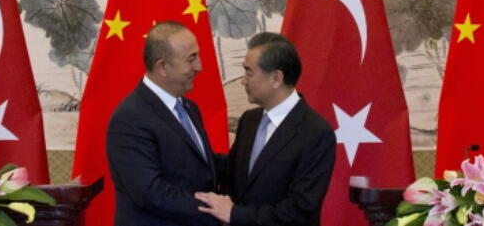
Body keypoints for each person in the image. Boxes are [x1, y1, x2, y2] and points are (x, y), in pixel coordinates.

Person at [195, 32, 336, 226]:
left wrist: (236, 215)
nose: (243, 80)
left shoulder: (316, 133)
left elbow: (300, 211)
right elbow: (233, 173)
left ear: (276, 78)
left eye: (249, 72)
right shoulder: (249, 121)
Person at [106, 21, 222, 226]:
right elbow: (151, 192)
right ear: (163, 67)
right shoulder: (130, 118)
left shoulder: (189, 107)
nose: (200, 66)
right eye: (191, 59)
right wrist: (217, 214)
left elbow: (196, 165)